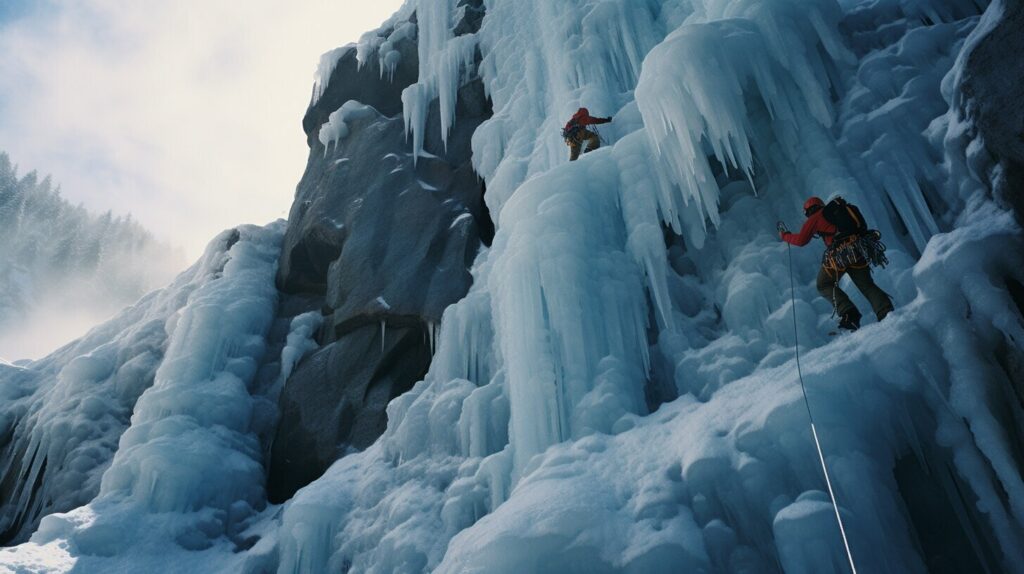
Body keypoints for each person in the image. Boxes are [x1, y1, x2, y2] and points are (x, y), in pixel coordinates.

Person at [780, 196, 893, 331]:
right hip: (858, 249)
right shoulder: (839, 212)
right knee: (867, 285)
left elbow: (801, 240)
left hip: (840, 254)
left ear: (808, 211)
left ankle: (849, 314)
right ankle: (886, 311)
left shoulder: (815, 217)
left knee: (823, 284)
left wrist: (785, 236)